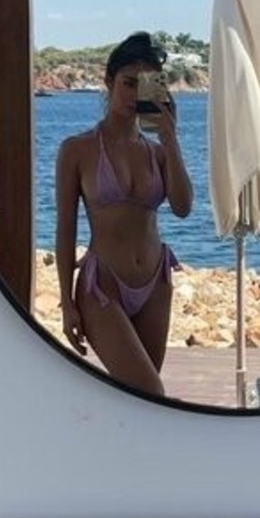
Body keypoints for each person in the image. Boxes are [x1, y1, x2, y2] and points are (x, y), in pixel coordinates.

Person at [55, 32, 194, 396]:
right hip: (103, 286)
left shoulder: (158, 152)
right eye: (128, 83)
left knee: (141, 404)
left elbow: (183, 207)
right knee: (152, 392)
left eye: (145, 86)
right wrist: (67, 303)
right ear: (108, 81)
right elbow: (65, 230)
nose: (134, 95)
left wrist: (171, 138)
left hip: (155, 282)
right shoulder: (77, 150)